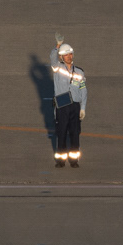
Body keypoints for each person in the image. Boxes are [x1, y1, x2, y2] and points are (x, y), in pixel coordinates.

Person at [50, 33, 88, 167]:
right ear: (61, 56)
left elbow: (83, 90)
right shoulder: (57, 68)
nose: (69, 56)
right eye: (66, 54)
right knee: (61, 133)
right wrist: (58, 45)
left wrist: (82, 108)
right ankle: (60, 161)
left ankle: (73, 160)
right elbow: (52, 59)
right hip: (62, 104)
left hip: (75, 105)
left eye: (70, 54)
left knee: (75, 134)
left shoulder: (80, 72)